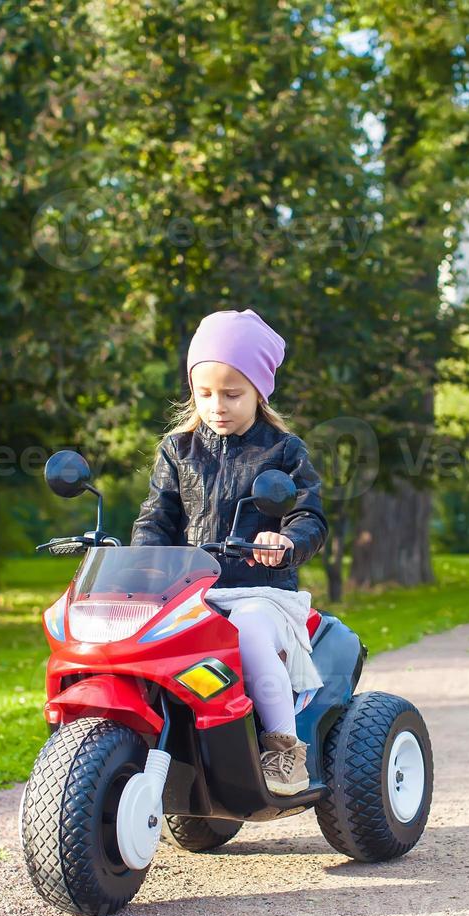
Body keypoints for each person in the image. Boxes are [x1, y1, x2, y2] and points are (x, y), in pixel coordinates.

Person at [130, 308, 329, 796]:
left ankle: (283, 746)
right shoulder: (178, 451)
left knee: (250, 631)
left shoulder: (283, 452)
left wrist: (284, 542)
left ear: (259, 391)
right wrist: (139, 568)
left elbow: (309, 519)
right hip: (189, 594)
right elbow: (156, 519)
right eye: (205, 392)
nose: (217, 405)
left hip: (260, 591)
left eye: (232, 393)